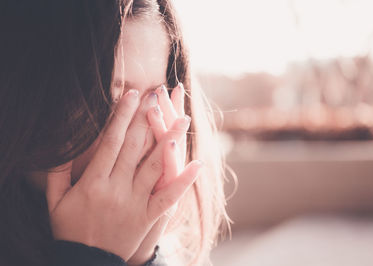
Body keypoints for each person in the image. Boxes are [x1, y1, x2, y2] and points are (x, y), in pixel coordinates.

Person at [0, 0, 230, 265]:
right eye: (107, 103)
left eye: (156, 99)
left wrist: (140, 256)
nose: (141, 137)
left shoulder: (163, 244)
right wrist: (90, 256)